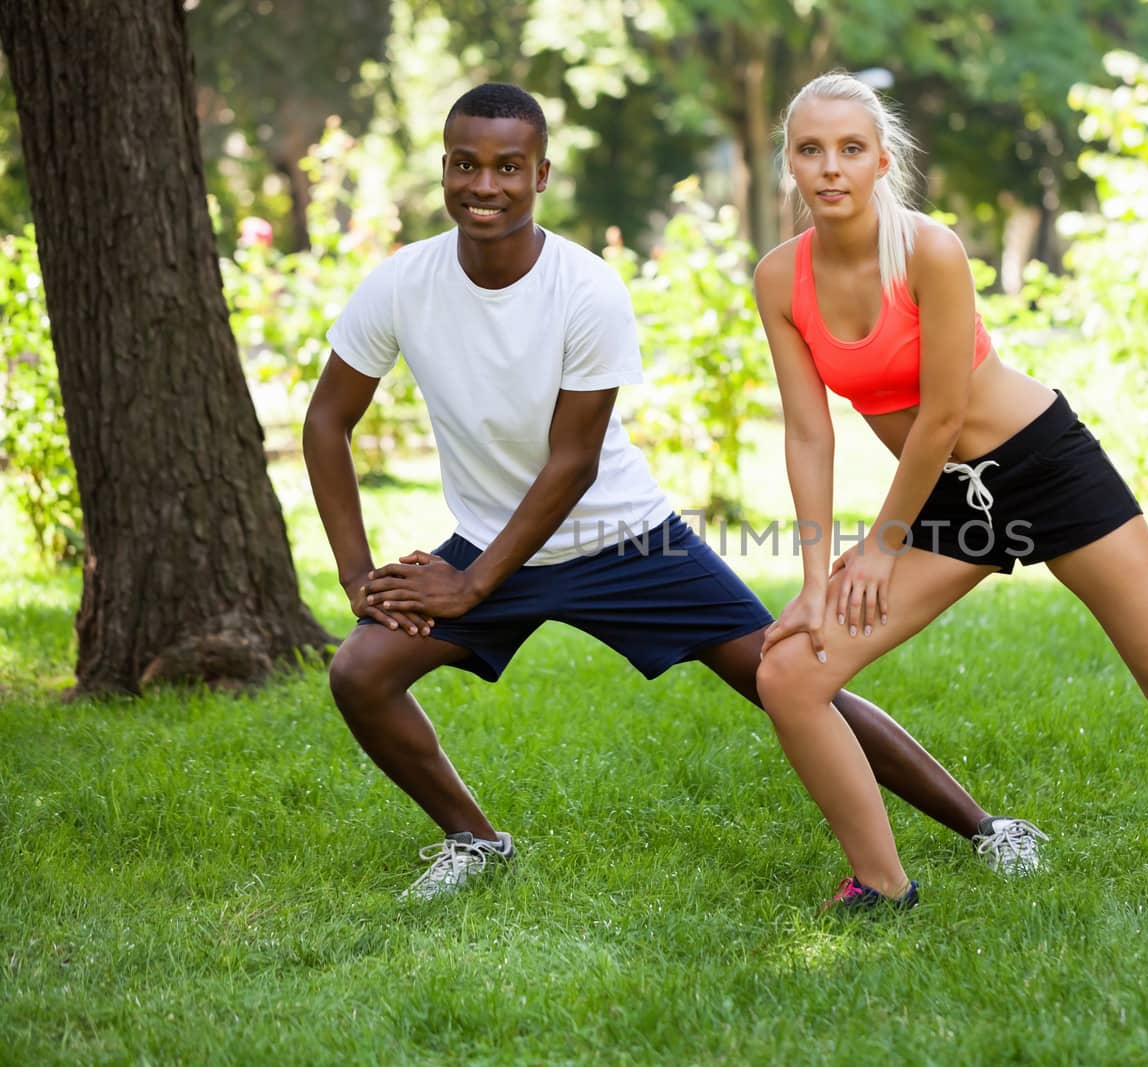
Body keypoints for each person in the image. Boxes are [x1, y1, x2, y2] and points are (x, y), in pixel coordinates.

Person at [302, 82, 1046, 902]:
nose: (486, 185)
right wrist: (357, 577)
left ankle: (986, 827)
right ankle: (475, 840)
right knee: (360, 672)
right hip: (490, 544)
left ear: (541, 173)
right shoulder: (402, 283)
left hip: (627, 542)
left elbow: (572, 462)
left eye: (508, 167)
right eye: (466, 165)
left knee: (785, 675)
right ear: (443, 170)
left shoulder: (584, 288)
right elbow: (326, 420)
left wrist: (473, 583)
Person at [753, 71, 1148, 917]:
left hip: (1041, 464)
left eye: (851, 149)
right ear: (788, 162)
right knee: (789, 672)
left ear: (882, 160)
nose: (831, 167)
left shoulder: (929, 250)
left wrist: (882, 545)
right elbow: (808, 433)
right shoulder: (781, 279)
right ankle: (881, 884)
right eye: (811, 149)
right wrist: (820, 579)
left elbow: (941, 416)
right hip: (944, 500)